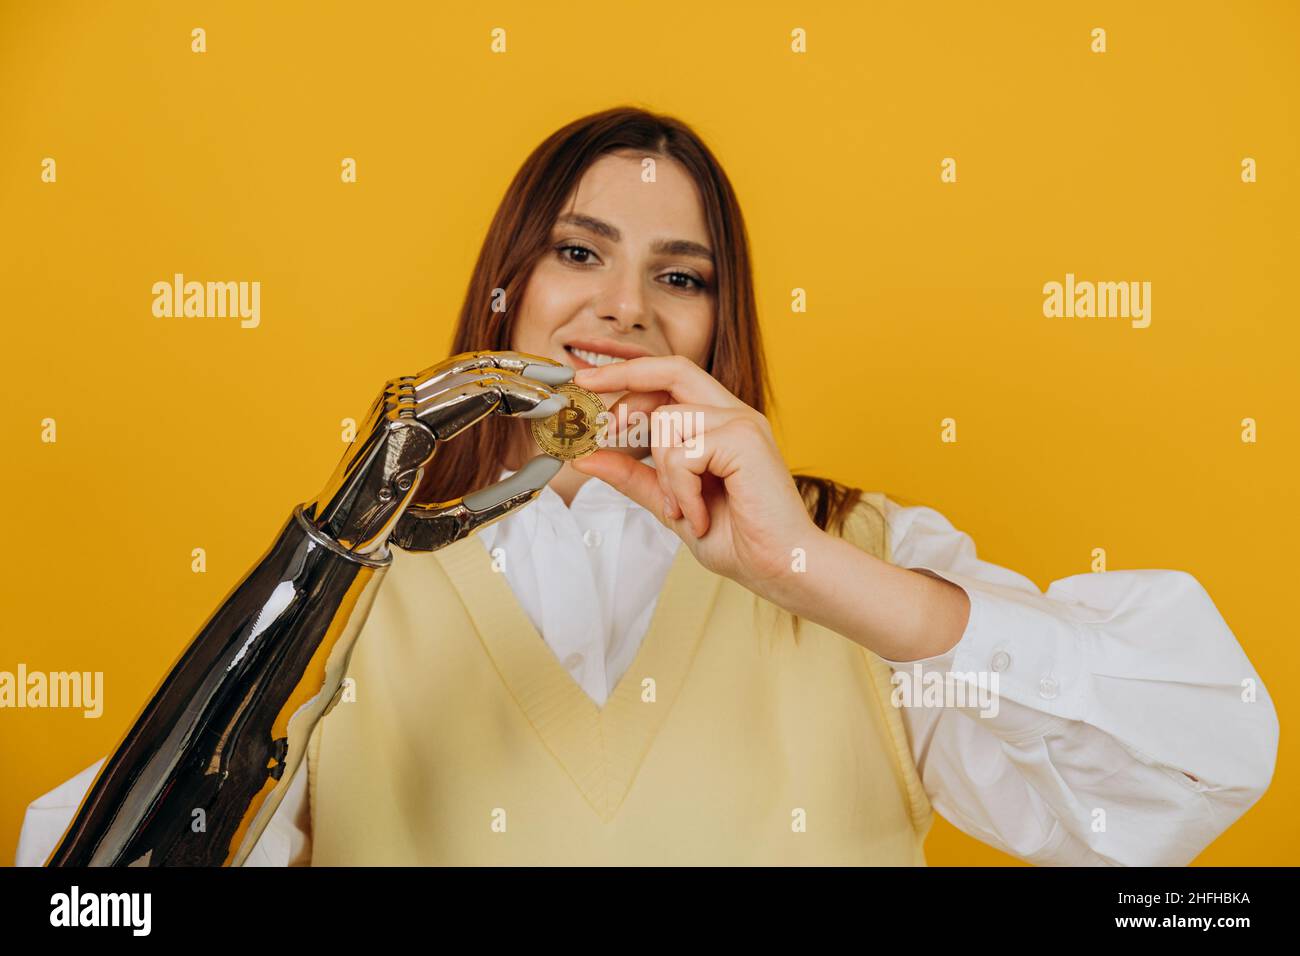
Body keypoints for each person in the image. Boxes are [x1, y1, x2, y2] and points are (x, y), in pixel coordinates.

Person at [16, 107, 1279, 867]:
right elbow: (97, 886)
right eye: (578, 251)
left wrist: (805, 569)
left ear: (722, 325)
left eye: (681, 275)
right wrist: (334, 553)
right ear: (508, 282)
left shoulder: (867, 554)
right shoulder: (358, 589)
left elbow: (1201, 763)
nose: (623, 304)